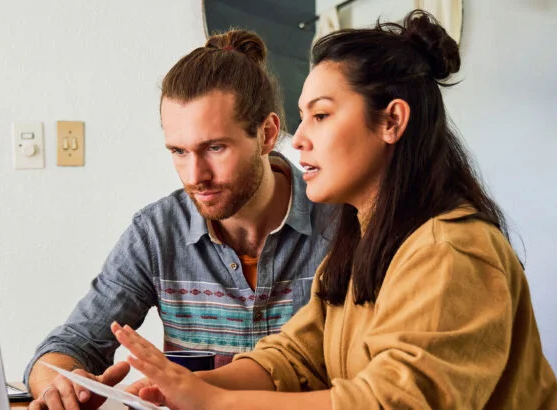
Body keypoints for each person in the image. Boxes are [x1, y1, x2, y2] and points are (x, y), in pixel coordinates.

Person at [113, 10, 557, 409]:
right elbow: (296, 355)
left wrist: (215, 402)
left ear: (391, 121)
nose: (300, 139)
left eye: (321, 115)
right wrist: (184, 386)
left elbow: (392, 403)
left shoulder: (451, 251)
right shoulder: (364, 241)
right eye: (303, 116)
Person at [25, 29, 337, 410]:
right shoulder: (157, 233)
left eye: (215, 148)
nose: (195, 176)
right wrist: (60, 387)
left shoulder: (345, 224)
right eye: (179, 151)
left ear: (267, 134)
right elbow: (66, 347)